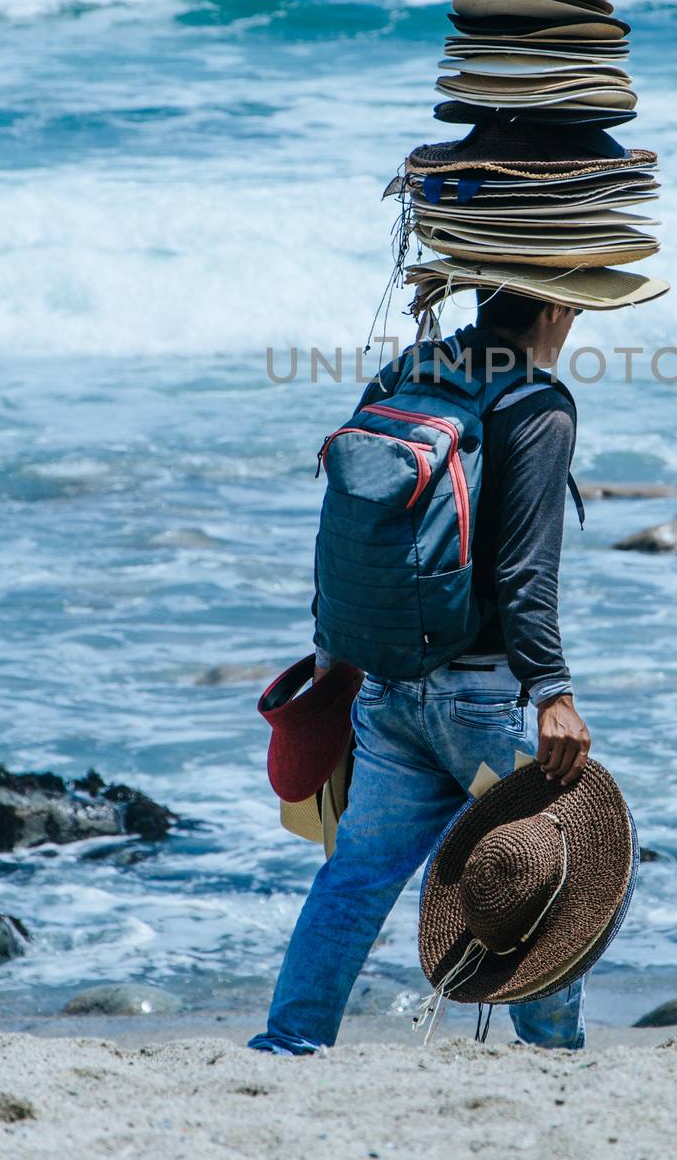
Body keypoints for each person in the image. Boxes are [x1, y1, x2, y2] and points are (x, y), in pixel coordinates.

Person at [248, 291, 593, 1054]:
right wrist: (553, 692)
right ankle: (550, 1056)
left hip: (389, 687)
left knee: (357, 876)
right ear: (555, 312)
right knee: (555, 873)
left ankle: (289, 1045)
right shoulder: (537, 406)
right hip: (484, 698)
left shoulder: (409, 372)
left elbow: (344, 525)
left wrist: (334, 654)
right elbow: (525, 572)